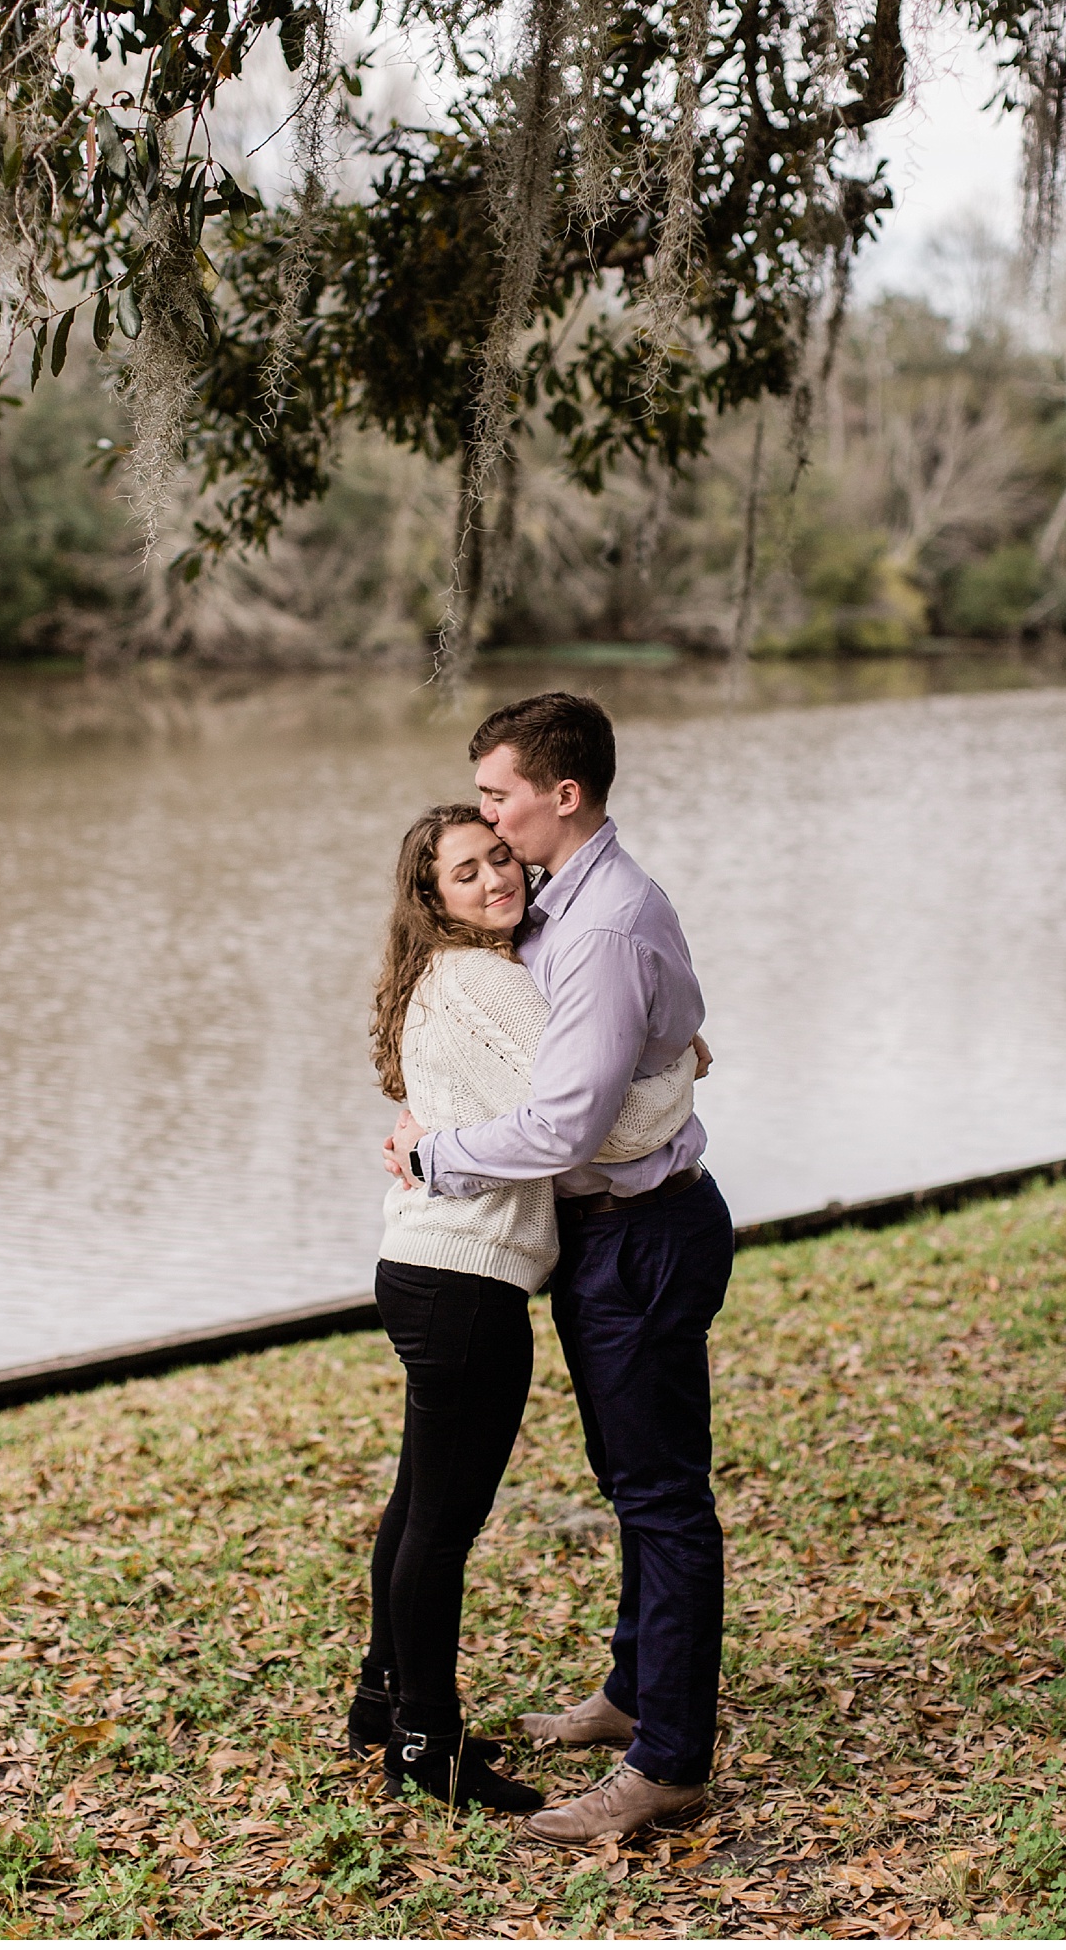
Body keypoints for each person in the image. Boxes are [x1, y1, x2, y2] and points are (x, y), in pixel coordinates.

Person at [384, 691, 735, 1848]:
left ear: (561, 795)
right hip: (600, 1240)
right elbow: (565, 1040)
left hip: (642, 1233)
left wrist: (436, 1154)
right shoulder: (554, 912)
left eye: (499, 797)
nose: (488, 816)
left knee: (661, 1496)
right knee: (629, 1478)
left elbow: (570, 1126)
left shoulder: (597, 923)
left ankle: (669, 1761)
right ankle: (635, 1690)